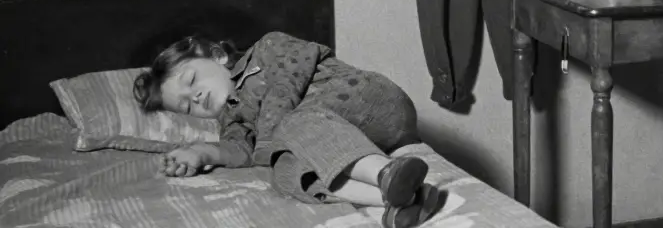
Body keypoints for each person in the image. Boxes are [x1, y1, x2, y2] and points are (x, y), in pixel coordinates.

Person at [133, 31, 442, 228]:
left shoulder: (266, 49)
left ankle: (385, 172)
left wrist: (270, 135)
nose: (196, 97)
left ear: (218, 57)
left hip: (371, 100)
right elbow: (242, 150)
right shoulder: (233, 120)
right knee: (283, 172)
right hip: (345, 138)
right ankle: (403, 200)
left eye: (191, 81)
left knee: (290, 125)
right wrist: (200, 152)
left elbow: (294, 73)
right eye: (187, 106)